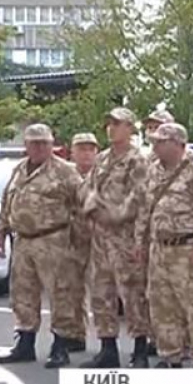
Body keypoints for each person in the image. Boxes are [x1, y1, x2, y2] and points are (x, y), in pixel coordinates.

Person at [0, 123, 82, 369]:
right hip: (23, 240)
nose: (40, 147)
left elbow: (82, 204)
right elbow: (7, 202)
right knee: (22, 294)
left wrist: (78, 240)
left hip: (54, 239)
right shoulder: (19, 170)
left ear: (52, 145)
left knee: (60, 294)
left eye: (44, 143)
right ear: (26, 145)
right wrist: (1, 232)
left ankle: (61, 345)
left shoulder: (65, 171)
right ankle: (24, 343)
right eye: (34, 143)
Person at [134, 123, 193, 368]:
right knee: (161, 304)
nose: (155, 147)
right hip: (159, 247)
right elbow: (145, 209)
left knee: (192, 304)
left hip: (186, 247)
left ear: (177, 144)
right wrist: (140, 241)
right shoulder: (153, 171)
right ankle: (170, 354)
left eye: (161, 142)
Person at [79, 108, 150, 369]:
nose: (111, 128)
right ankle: (107, 347)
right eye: (109, 123)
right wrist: (90, 206)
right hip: (100, 236)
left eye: (118, 124)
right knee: (101, 292)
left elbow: (139, 197)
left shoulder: (137, 160)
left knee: (132, 294)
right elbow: (89, 188)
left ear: (130, 128)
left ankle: (140, 349)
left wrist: (114, 215)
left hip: (125, 236)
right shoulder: (102, 159)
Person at [65, 132, 100, 353]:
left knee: (101, 291)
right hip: (72, 241)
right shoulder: (65, 175)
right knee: (71, 290)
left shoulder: (103, 174)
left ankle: (108, 340)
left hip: (99, 241)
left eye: (90, 149)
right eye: (81, 149)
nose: (86, 154)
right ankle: (75, 334)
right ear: (72, 152)